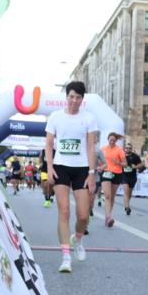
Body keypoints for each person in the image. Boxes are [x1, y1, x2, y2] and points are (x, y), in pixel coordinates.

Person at [44, 81, 98, 273]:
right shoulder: (55, 117)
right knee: (64, 211)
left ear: (82, 100)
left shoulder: (89, 118)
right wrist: (49, 167)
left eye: (78, 97)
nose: (74, 101)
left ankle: (78, 238)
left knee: (83, 215)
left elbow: (91, 147)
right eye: (71, 97)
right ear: (66, 97)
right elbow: (49, 144)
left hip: (82, 168)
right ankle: (66, 257)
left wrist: (92, 173)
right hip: (61, 167)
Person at [100, 133, 127, 228]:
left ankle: (108, 215)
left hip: (117, 174)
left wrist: (118, 162)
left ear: (116, 141)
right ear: (108, 139)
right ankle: (108, 217)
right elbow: (99, 160)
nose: (112, 142)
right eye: (110, 140)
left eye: (114, 140)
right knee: (107, 195)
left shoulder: (119, 150)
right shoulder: (103, 149)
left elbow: (125, 164)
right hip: (106, 173)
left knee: (112, 196)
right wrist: (99, 166)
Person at [121, 141, 143, 215]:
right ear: (124, 148)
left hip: (132, 177)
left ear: (131, 149)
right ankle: (127, 207)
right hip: (124, 176)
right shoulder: (122, 156)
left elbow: (141, 164)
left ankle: (127, 204)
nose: (128, 149)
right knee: (126, 192)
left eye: (129, 148)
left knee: (129, 194)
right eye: (126, 148)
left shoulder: (135, 156)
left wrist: (136, 167)